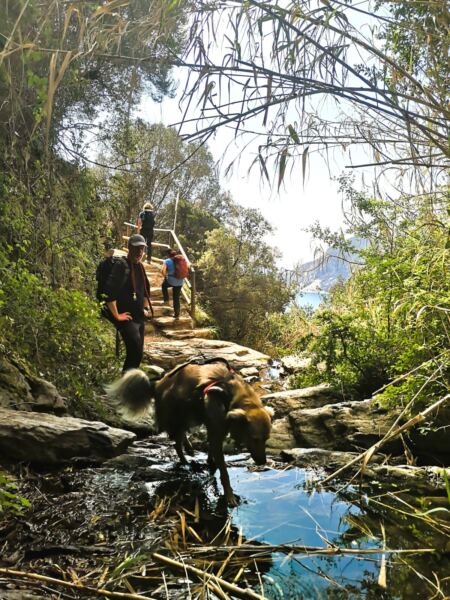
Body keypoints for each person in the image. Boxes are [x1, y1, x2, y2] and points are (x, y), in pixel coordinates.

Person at [105, 234, 152, 373]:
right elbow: (109, 292)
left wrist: (146, 308)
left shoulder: (140, 266)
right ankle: (126, 382)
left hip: (139, 317)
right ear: (129, 248)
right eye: (136, 248)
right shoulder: (121, 265)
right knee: (135, 352)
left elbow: (145, 290)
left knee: (138, 354)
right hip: (127, 318)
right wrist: (117, 315)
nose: (139, 252)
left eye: (142, 249)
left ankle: (129, 381)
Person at [161, 249, 190, 320]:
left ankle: (166, 300)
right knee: (176, 297)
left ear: (169, 255)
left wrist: (165, 276)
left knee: (164, 285)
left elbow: (163, 271)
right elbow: (188, 266)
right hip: (180, 281)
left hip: (171, 281)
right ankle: (177, 314)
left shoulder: (167, 261)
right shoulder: (181, 260)